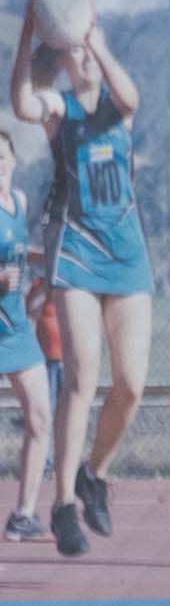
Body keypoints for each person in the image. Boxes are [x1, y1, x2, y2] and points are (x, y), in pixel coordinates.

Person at [9, 0, 151, 561]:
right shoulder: (60, 111)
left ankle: (95, 473)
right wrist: (30, 32)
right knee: (81, 378)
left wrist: (94, 39)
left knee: (132, 385)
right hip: (76, 254)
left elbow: (129, 92)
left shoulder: (118, 105)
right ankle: (64, 502)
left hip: (127, 254)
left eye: (91, 48)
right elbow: (21, 102)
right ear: (64, 57)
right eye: (76, 52)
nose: (86, 58)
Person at [0, 128, 54, 541]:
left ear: (13, 160)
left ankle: (23, 514)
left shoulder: (18, 204)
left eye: (2, 157)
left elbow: (21, 253)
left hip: (16, 331)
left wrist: (52, 256)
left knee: (40, 418)